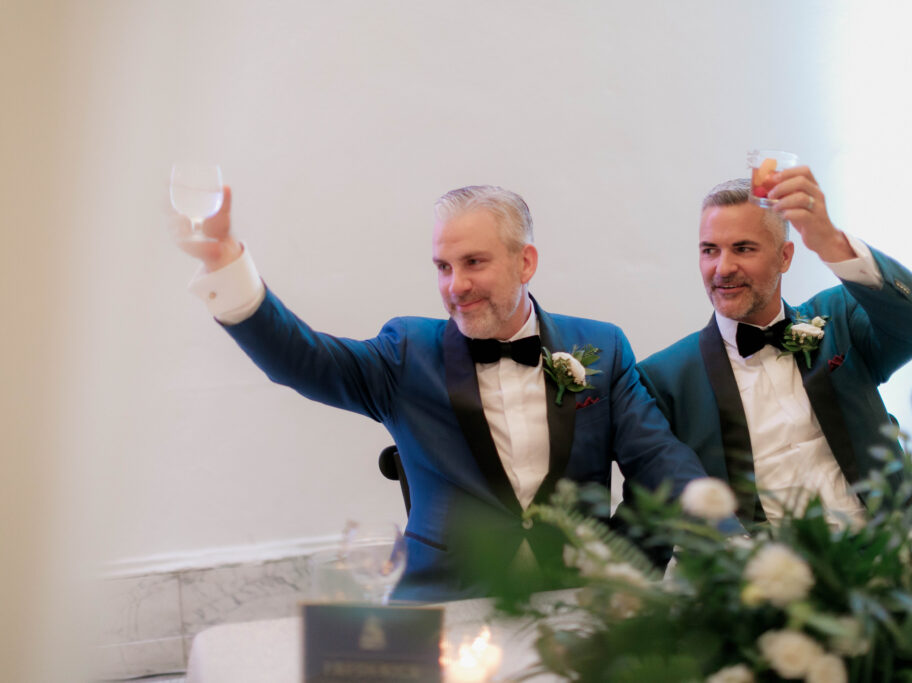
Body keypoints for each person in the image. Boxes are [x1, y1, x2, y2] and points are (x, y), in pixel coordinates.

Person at [176, 184, 721, 603]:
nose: (454, 286)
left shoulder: (600, 347)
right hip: (447, 604)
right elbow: (304, 360)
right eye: (443, 266)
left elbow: (661, 462)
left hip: (577, 600)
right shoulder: (407, 352)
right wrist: (227, 267)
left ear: (524, 262)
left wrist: (722, 549)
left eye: (474, 263)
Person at [638, 170, 912, 529]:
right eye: (710, 251)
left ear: (785, 257)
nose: (723, 268)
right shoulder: (665, 377)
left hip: (891, 549)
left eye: (743, 248)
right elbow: (652, 504)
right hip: (772, 574)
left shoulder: (838, 319)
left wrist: (830, 241)